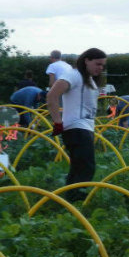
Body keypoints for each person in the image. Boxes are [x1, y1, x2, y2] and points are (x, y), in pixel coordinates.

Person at [47, 48, 107, 201]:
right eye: (97, 64)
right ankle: (76, 201)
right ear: (86, 60)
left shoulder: (89, 79)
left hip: (85, 127)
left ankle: (70, 201)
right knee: (86, 167)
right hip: (76, 128)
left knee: (78, 167)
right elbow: (52, 95)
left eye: (103, 65)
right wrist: (57, 121)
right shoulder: (74, 75)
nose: (100, 68)